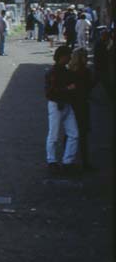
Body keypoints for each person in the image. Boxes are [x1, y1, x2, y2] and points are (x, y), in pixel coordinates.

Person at [45, 45, 79, 174]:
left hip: (61, 104)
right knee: (59, 134)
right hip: (58, 104)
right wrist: (67, 89)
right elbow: (50, 92)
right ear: (63, 57)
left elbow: (50, 92)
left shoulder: (56, 72)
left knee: (65, 134)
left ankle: (58, 161)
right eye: (68, 56)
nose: (70, 58)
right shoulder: (55, 72)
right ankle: (59, 161)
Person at [68, 48, 92, 170]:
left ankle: (67, 159)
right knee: (82, 134)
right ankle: (85, 162)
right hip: (82, 105)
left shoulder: (70, 71)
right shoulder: (85, 71)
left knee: (70, 133)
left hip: (72, 105)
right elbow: (88, 87)